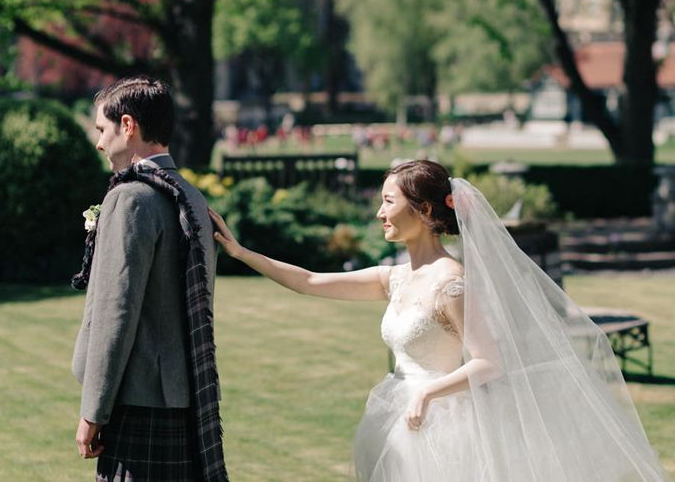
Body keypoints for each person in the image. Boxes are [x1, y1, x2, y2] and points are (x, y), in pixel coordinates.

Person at [209, 159, 670, 481]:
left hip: (445, 427)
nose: (379, 213)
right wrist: (240, 252)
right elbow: (310, 281)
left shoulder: (454, 284)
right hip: (398, 415)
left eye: (389, 201)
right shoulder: (395, 276)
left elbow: (490, 362)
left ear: (425, 210)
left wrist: (429, 390)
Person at [71, 76, 228, 482]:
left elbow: (114, 314)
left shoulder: (130, 198)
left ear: (128, 126)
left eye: (102, 130)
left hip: (137, 403)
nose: (99, 143)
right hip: (185, 398)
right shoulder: (191, 195)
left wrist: (93, 411)